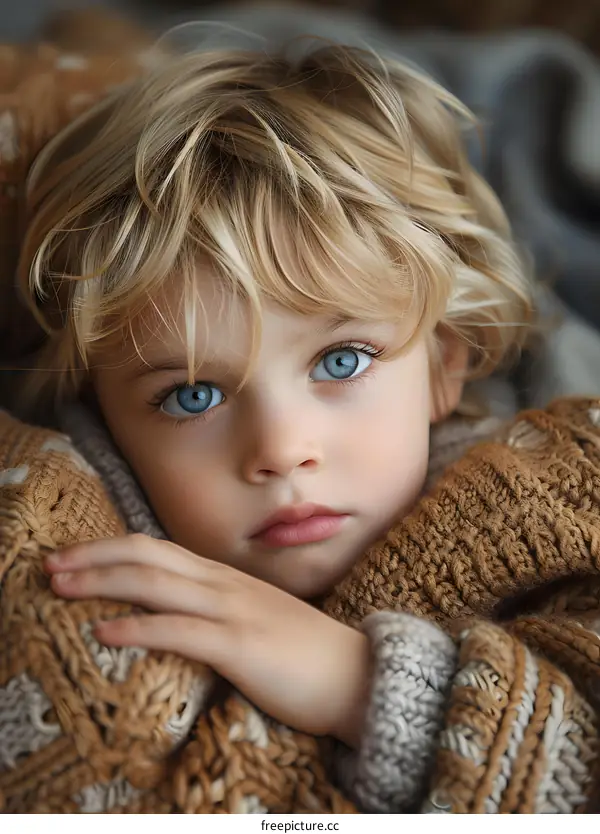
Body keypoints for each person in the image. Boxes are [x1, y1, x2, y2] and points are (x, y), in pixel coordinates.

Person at [10, 38, 598, 812]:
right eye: (192, 397)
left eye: (343, 361)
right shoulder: (71, 552)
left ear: (442, 365)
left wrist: (362, 688)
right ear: (107, 418)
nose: (283, 451)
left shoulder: (552, 504)